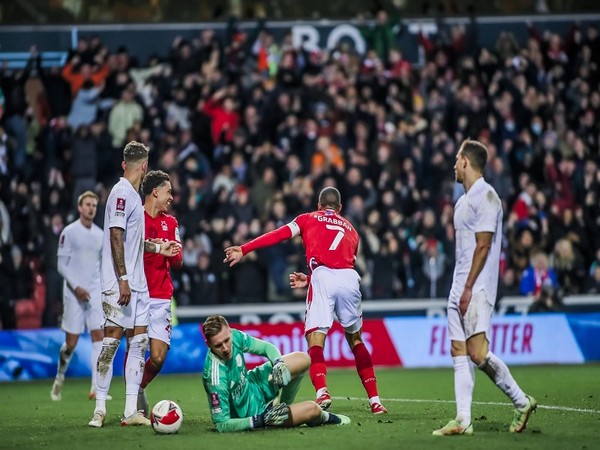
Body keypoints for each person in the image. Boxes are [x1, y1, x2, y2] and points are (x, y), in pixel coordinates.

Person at [224, 186, 387, 414]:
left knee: (315, 339)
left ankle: (322, 392)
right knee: (356, 340)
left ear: (319, 206)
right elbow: (340, 265)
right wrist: (309, 278)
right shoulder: (352, 230)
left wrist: (245, 248)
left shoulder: (307, 218)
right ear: (339, 209)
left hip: (323, 276)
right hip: (350, 278)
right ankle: (375, 401)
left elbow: (278, 234)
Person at [433, 139, 536, 436]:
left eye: (456, 159)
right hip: (459, 284)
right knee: (458, 350)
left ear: (466, 161)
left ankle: (521, 401)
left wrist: (467, 289)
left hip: (477, 287)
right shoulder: (461, 202)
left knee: (478, 353)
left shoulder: (487, 196)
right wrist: (457, 288)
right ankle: (463, 419)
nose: (453, 165)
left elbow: (483, 246)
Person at [88, 141, 180, 428]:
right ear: (145, 166)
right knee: (111, 342)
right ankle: (99, 408)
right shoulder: (121, 193)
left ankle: (130, 411)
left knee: (138, 345)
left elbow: (134, 240)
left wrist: (156, 249)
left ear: (124, 163)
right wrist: (123, 279)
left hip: (140, 286)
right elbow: (116, 235)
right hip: (121, 284)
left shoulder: (130, 196)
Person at [202, 314, 350, 432]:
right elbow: (222, 424)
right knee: (313, 409)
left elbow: (266, 348)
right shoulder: (215, 377)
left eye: (227, 340)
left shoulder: (235, 336)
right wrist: (259, 420)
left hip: (255, 385)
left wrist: (278, 363)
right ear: (208, 345)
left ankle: (284, 406)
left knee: (303, 359)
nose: (225, 348)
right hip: (257, 415)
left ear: (229, 331)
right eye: (218, 345)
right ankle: (321, 417)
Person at [51, 191, 107, 401]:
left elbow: (100, 266)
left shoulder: (100, 235)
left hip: (93, 293)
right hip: (74, 295)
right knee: (71, 343)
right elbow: (61, 266)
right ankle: (60, 376)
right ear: (79, 207)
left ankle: (96, 388)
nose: (91, 208)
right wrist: (76, 287)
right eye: (88, 204)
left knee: (98, 336)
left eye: (94, 205)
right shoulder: (69, 232)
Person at [135, 170, 183, 414]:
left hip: (161, 297)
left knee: (157, 357)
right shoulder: (136, 219)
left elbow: (178, 262)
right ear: (155, 191)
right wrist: (157, 249)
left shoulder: (171, 223)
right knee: (135, 348)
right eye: (168, 191)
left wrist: (174, 252)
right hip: (137, 294)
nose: (171, 197)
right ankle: (131, 401)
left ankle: (139, 387)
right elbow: (128, 249)